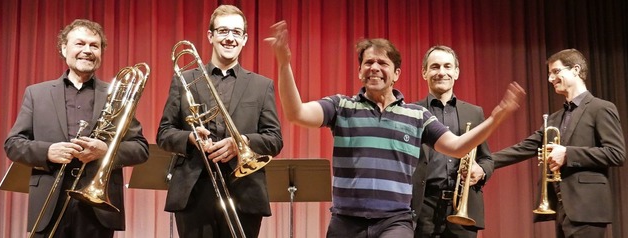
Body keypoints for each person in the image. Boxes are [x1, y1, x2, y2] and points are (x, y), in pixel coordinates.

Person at [265, 21, 525, 238]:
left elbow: (456, 147)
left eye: (382, 63)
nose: (374, 68)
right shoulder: (341, 106)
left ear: (396, 73)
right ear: (359, 71)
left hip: (395, 223)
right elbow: (296, 113)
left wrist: (495, 119)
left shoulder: (416, 115)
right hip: (346, 221)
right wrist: (284, 64)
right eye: (368, 63)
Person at [3, 19, 149, 238]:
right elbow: (13, 144)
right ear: (64, 48)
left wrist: (105, 151)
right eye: (80, 44)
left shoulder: (118, 95)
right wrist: (47, 152)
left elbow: (140, 149)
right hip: (49, 205)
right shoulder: (36, 94)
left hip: (97, 208)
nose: (87, 51)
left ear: (101, 52)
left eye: (94, 45)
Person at [156, 5, 283, 238]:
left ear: (244, 39)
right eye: (223, 31)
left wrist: (241, 142)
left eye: (236, 32)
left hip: (244, 191)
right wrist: (191, 138)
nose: (229, 38)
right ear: (210, 36)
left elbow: (274, 139)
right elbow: (164, 133)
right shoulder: (184, 78)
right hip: (194, 191)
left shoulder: (262, 86)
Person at [493, 48, 625, 238]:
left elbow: (616, 153)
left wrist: (568, 154)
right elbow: (524, 147)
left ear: (576, 70)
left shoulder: (601, 108)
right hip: (562, 210)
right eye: (549, 74)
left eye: (556, 71)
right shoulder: (555, 118)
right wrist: (486, 162)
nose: (550, 79)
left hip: (588, 209)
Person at [412, 45, 493, 238]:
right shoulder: (411, 111)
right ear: (424, 72)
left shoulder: (474, 113)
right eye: (435, 67)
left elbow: (487, 159)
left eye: (448, 67)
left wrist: (481, 171)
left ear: (456, 72)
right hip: (423, 207)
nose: (442, 72)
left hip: (463, 209)